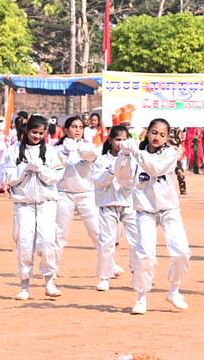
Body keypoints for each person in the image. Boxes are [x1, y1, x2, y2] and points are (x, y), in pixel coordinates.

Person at [117, 118, 191, 315]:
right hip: (145, 212)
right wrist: (123, 156)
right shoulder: (135, 154)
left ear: (167, 138)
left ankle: (174, 289)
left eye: (162, 134)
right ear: (147, 133)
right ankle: (141, 296)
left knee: (181, 251)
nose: (157, 137)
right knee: (145, 255)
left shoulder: (170, 153)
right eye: (154, 132)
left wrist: (135, 152)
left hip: (169, 210)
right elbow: (122, 178)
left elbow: (155, 169)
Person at [4, 115, 65, 300]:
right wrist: (24, 168)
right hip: (23, 203)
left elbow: (57, 175)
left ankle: (49, 281)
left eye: (41, 133)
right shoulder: (14, 151)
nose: (37, 136)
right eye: (34, 132)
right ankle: (24, 284)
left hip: (47, 202)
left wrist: (42, 170)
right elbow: (8, 176)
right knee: (24, 241)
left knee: (47, 241)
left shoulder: (51, 151)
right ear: (26, 131)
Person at [54, 116, 104, 271]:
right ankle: (52, 268)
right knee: (59, 233)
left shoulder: (88, 147)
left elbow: (95, 158)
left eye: (80, 127)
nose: (77, 130)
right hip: (64, 193)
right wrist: (65, 153)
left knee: (96, 231)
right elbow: (56, 167)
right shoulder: (56, 149)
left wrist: (81, 151)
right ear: (66, 129)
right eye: (74, 127)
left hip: (86, 193)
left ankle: (109, 265)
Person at [93, 125, 136, 291]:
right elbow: (98, 182)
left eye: (124, 140)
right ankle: (104, 276)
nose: (121, 143)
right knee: (107, 241)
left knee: (136, 240)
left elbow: (133, 181)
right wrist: (112, 171)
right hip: (108, 204)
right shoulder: (102, 160)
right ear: (110, 140)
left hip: (129, 203)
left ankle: (137, 272)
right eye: (118, 139)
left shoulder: (133, 159)